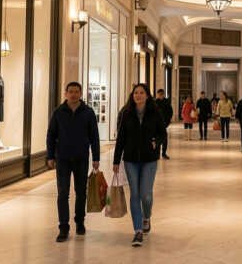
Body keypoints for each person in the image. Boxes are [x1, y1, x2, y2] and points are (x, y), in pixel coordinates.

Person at [113, 84, 167, 247]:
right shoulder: (126, 113)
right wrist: (116, 160)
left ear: (147, 96)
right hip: (130, 160)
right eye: (135, 92)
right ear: (132, 95)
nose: (138, 95)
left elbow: (162, 133)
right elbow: (121, 138)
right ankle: (137, 230)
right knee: (135, 194)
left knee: (146, 194)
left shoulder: (155, 113)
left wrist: (156, 143)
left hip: (149, 159)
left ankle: (146, 217)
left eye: (141, 93)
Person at [46, 82, 100, 242]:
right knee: (63, 193)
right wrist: (50, 156)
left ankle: (80, 222)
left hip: (81, 158)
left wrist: (96, 157)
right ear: (66, 93)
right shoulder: (58, 112)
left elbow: (94, 137)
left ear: (81, 94)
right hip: (62, 159)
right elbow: (51, 135)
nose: (74, 94)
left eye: (77, 91)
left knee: (81, 192)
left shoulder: (88, 113)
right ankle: (63, 227)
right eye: (71, 91)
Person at [155, 89, 173, 160]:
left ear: (163, 94)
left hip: (164, 123)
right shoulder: (155, 102)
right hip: (156, 124)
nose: (160, 96)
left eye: (161, 94)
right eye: (159, 94)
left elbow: (170, 112)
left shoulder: (167, 102)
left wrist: (168, 121)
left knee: (164, 139)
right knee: (157, 139)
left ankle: (164, 153)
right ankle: (157, 154)